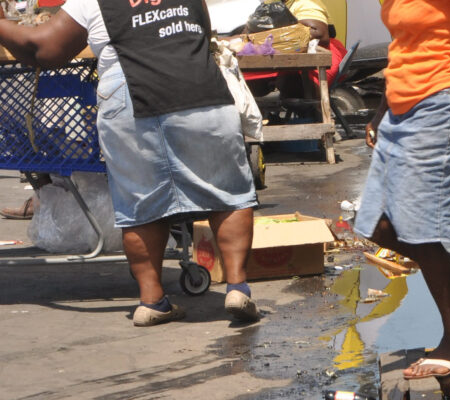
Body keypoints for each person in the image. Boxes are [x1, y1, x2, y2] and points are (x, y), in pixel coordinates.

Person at [0, 0, 261, 327]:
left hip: (128, 96)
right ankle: (237, 288)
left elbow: (43, 48)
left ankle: (152, 301)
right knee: (228, 193)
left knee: (140, 202)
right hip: (198, 88)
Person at [356, 0, 450, 379]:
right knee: (375, 224)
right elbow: (404, 50)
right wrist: (379, 114)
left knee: (419, 231)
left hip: (440, 106)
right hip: (398, 112)